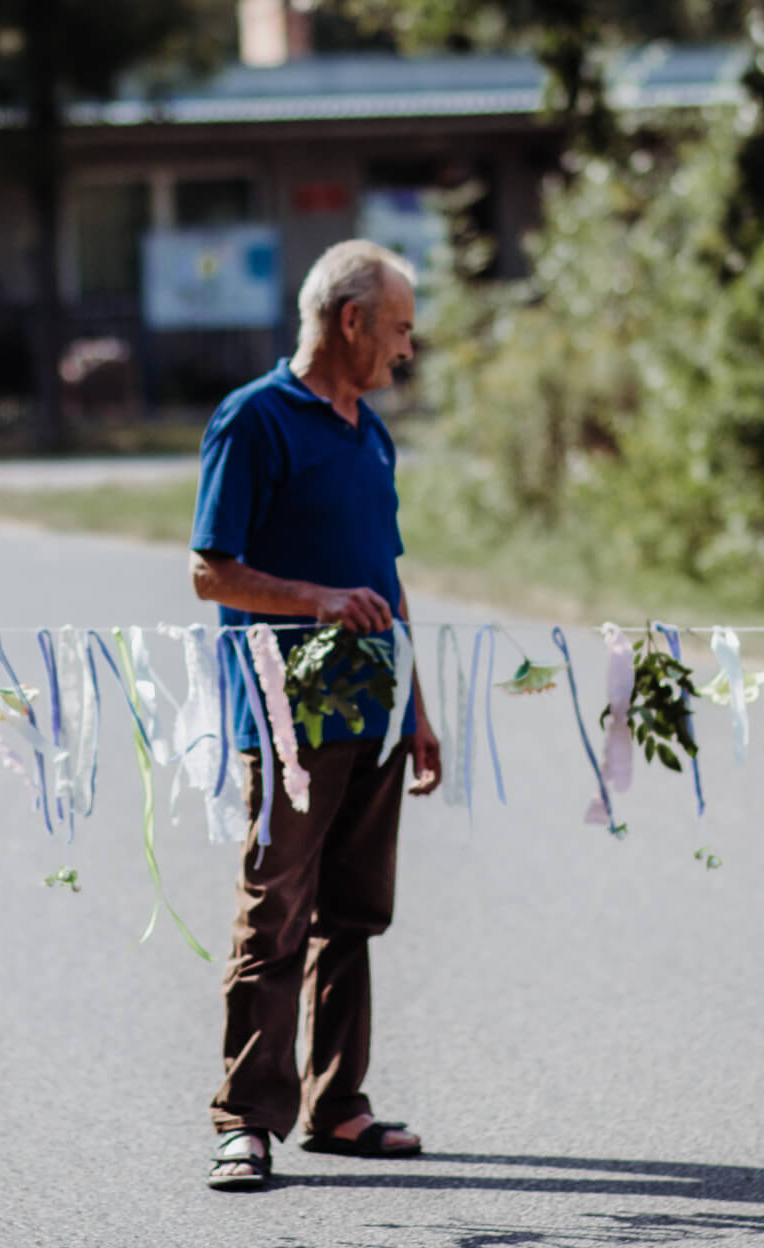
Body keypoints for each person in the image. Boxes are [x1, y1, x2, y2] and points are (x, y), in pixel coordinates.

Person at [189, 238, 442, 1192]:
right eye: (400, 329)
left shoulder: (369, 432)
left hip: (375, 713)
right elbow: (211, 570)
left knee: (355, 913)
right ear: (351, 320)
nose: (407, 349)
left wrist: (417, 706)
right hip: (287, 715)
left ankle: (338, 1106)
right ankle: (247, 1121)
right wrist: (319, 601)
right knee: (277, 912)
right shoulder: (254, 420)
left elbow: (388, 577)